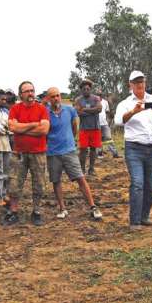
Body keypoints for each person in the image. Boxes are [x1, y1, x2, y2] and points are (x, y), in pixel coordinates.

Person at [114, 71, 152, 230]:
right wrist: (133, 111)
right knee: (138, 183)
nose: (140, 84)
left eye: (142, 82)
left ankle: (144, 216)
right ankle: (134, 221)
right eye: (136, 82)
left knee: (150, 186)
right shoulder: (125, 103)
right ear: (130, 85)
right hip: (134, 149)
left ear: (145, 83)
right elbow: (118, 121)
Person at [46, 87, 103, 220]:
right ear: (48, 99)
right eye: (53, 96)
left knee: (80, 178)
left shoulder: (69, 110)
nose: (56, 98)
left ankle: (93, 206)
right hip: (52, 152)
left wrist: (70, 139)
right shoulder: (45, 112)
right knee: (56, 180)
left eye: (58, 95)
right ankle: (62, 208)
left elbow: (74, 127)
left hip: (69, 150)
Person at [3, 81, 49, 226]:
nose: (30, 93)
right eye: (27, 91)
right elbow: (12, 127)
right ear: (20, 94)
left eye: (32, 90)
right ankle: (14, 211)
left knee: (39, 184)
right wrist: (34, 124)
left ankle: (36, 211)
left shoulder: (42, 109)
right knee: (14, 183)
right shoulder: (15, 109)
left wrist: (22, 128)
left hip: (38, 153)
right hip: (19, 153)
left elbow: (44, 130)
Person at [74, 79, 102, 175]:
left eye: (88, 88)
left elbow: (99, 109)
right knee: (83, 150)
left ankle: (91, 169)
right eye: (84, 89)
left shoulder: (96, 98)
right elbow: (78, 112)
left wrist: (85, 109)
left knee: (93, 149)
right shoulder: (78, 100)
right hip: (83, 129)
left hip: (95, 127)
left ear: (90, 89)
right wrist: (92, 111)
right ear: (81, 90)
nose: (86, 90)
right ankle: (82, 169)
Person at [96, 89, 119, 159]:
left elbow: (107, 112)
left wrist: (108, 121)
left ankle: (115, 153)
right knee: (98, 139)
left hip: (104, 123)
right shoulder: (93, 102)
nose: (99, 96)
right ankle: (99, 153)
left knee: (109, 138)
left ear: (102, 95)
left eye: (100, 95)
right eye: (98, 94)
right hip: (96, 123)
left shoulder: (105, 102)